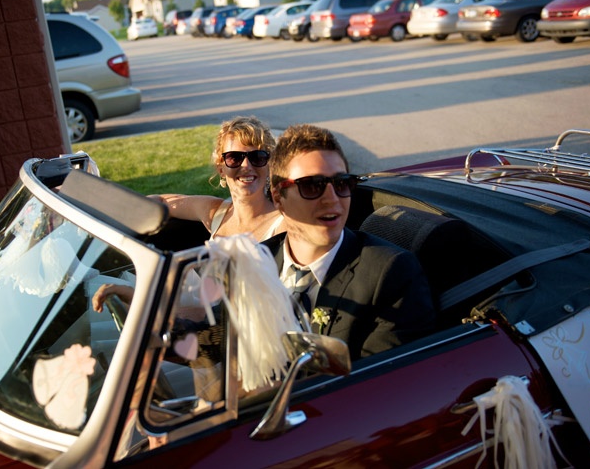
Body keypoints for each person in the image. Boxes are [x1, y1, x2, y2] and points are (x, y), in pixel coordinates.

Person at [264, 123, 436, 360]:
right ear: (278, 198)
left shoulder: (391, 274)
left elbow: (382, 377)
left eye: (341, 183)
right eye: (312, 186)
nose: (332, 199)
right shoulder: (254, 261)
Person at [152, 115, 285, 241]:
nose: (246, 165)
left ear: (270, 166)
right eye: (234, 158)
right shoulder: (215, 213)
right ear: (221, 169)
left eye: (257, 157)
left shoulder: (285, 223)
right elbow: (162, 201)